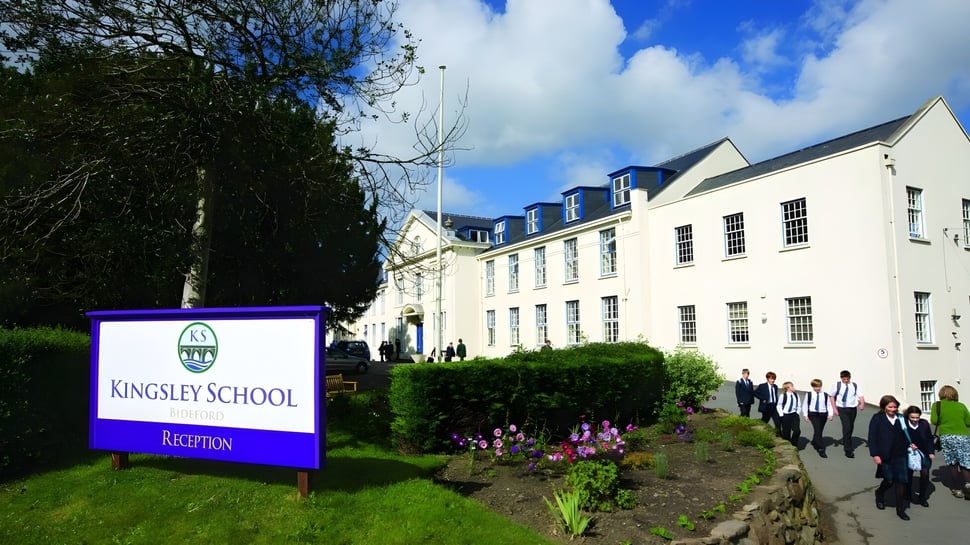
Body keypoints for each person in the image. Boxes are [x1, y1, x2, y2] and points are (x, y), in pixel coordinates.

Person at [868, 394, 911, 520]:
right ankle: (880, 493)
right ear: (884, 407)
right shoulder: (877, 418)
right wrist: (875, 454)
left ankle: (900, 509)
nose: (893, 409)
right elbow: (872, 437)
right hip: (885, 454)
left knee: (901, 481)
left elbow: (908, 434)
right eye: (890, 407)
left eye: (895, 407)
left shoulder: (901, 418)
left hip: (900, 453)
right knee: (890, 479)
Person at [929, 384, 970, 499]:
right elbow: (968, 422)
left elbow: (934, 420)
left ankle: (957, 488)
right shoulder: (961, 406)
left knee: (953, 463)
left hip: (947, 437)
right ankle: (968, 484)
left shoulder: (937, 405)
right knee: (965, 462)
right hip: (963, 437)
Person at [902, 405, 936, 506]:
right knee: (909, 473)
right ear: (908, 416)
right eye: (912, 417)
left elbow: (929, 438)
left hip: (923, 452)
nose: (915, 420)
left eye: (917, 417)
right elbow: (899, 438)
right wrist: (908, 445)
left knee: (925, 473)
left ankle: (922, 497)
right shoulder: (903, 424)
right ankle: (907, 494)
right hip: (909, 452)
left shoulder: (924, 424)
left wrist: (931, 452)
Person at [830, 370, 865, 458]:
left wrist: (862, 404)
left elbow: (860, 395)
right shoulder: (837, 385)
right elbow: (831, 396)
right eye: (844, 379)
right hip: (842, 408)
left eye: (847, 379)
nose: (846, 381)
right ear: (841, 378)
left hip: (852, 408)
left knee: (851, 427)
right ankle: (848, 449)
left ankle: (847, 440)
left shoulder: (854, 385)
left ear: (850, 378)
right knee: (847, 427)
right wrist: (834, 409)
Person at [802, 378, 833, 458]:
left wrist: (830, 414)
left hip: (823, 414)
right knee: (818, 429)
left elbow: (829, 405)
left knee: (819, 430)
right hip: (813, 414)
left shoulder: (825, 395)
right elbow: (805, 405)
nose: (817, 388)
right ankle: (821, 448)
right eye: (815, 387)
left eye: (819, 386)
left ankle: (815, 441)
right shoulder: (809, 394)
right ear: (812, 387)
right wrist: (805, 415)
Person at [776, 381, 801, 448]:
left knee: (797, 431)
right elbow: (779, 405)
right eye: (792, 386)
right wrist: (781, 414)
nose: (793, 387)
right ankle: (787, 445)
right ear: (787, 388)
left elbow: (799, 405)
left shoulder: (796, 395)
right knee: (786, 433)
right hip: (786, 415)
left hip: (794, 415)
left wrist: (797, 412)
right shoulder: (783, 396)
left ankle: (794, 444)